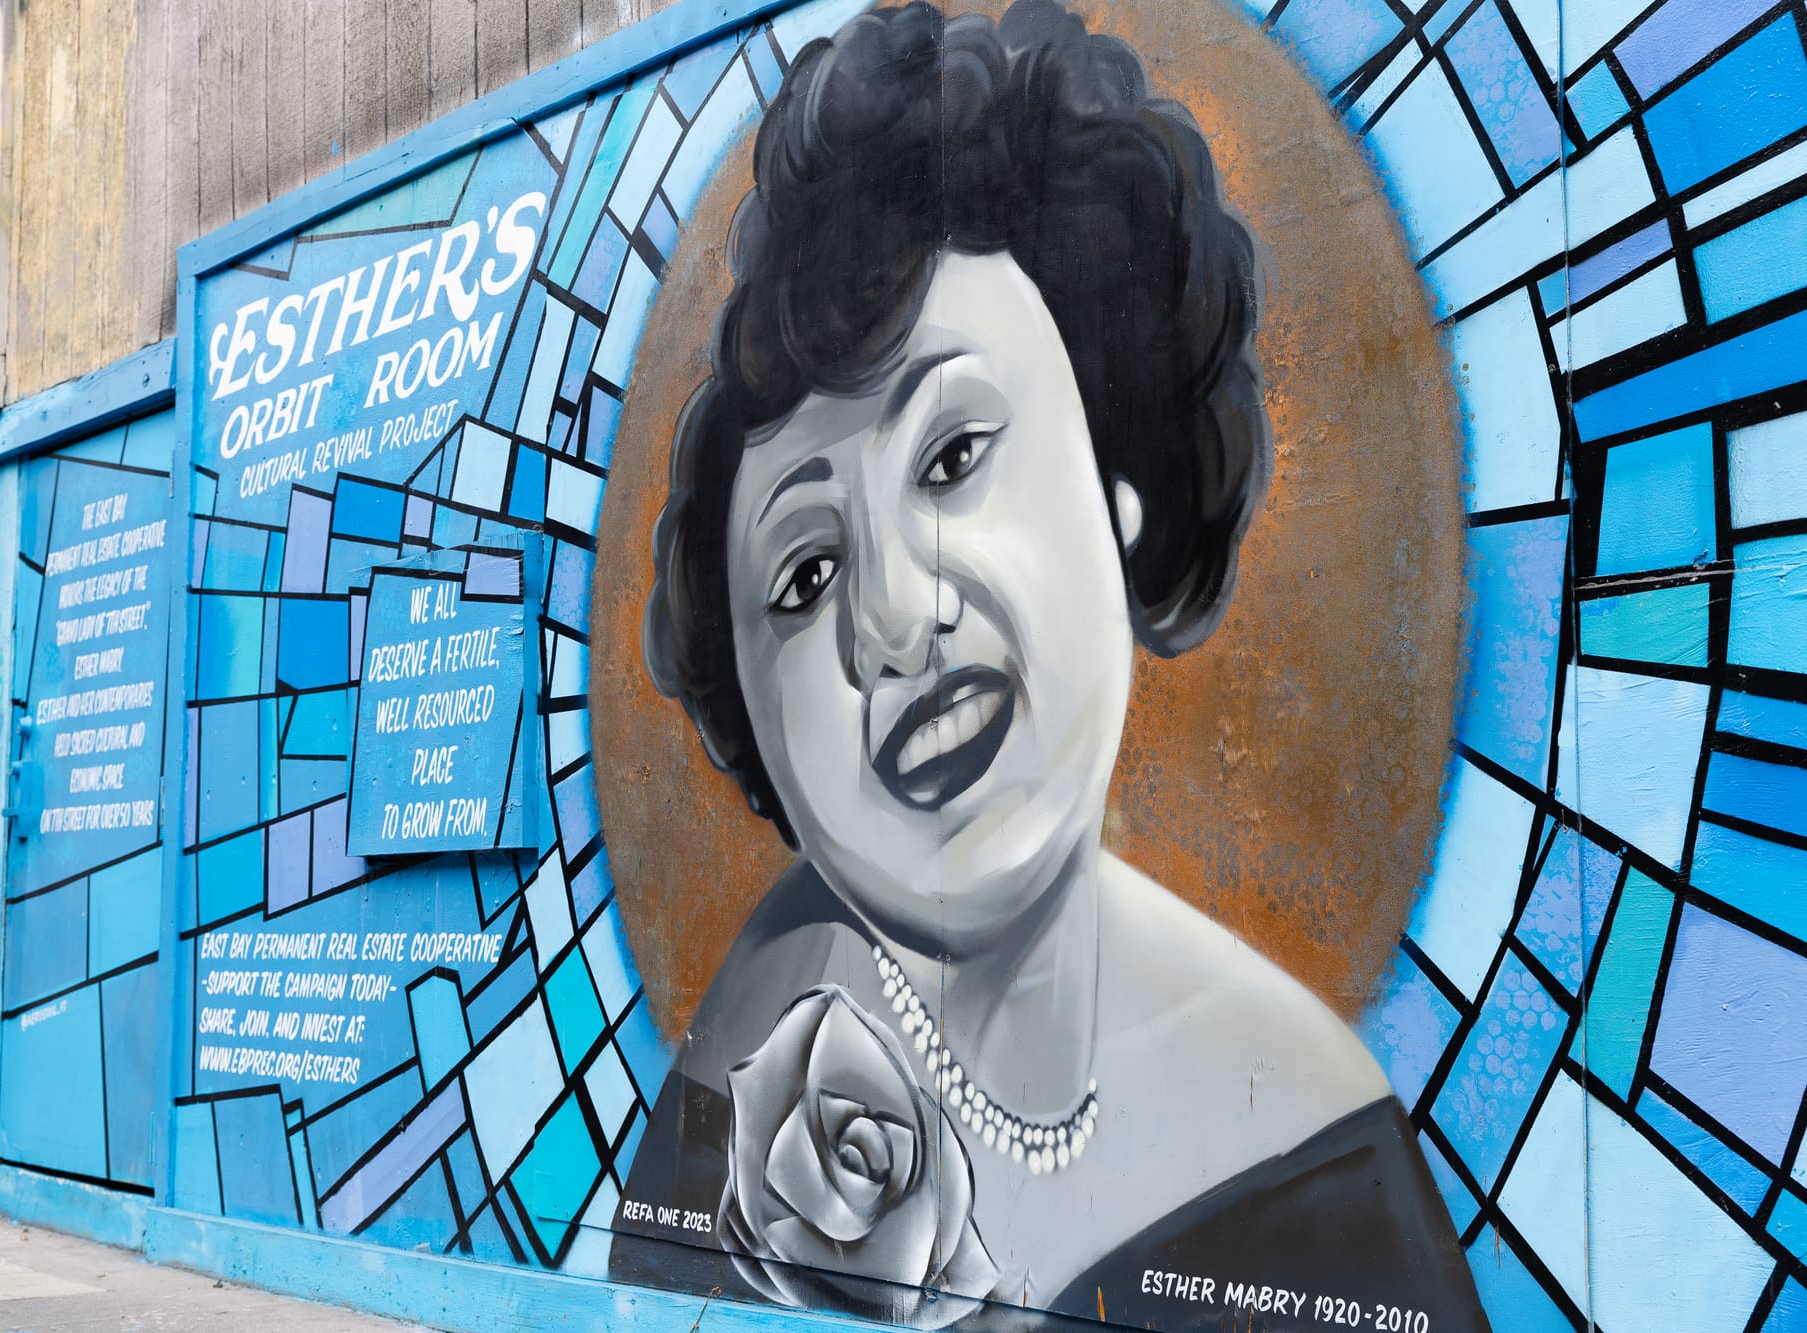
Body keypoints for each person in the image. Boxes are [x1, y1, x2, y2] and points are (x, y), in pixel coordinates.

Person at [608, 3, 1488, 1328]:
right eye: (804, 575)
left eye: (955, 457)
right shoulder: (745, 1058)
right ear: (763, 732)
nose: (894, 617)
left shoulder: (1323, 1164)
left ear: (1118, 480)